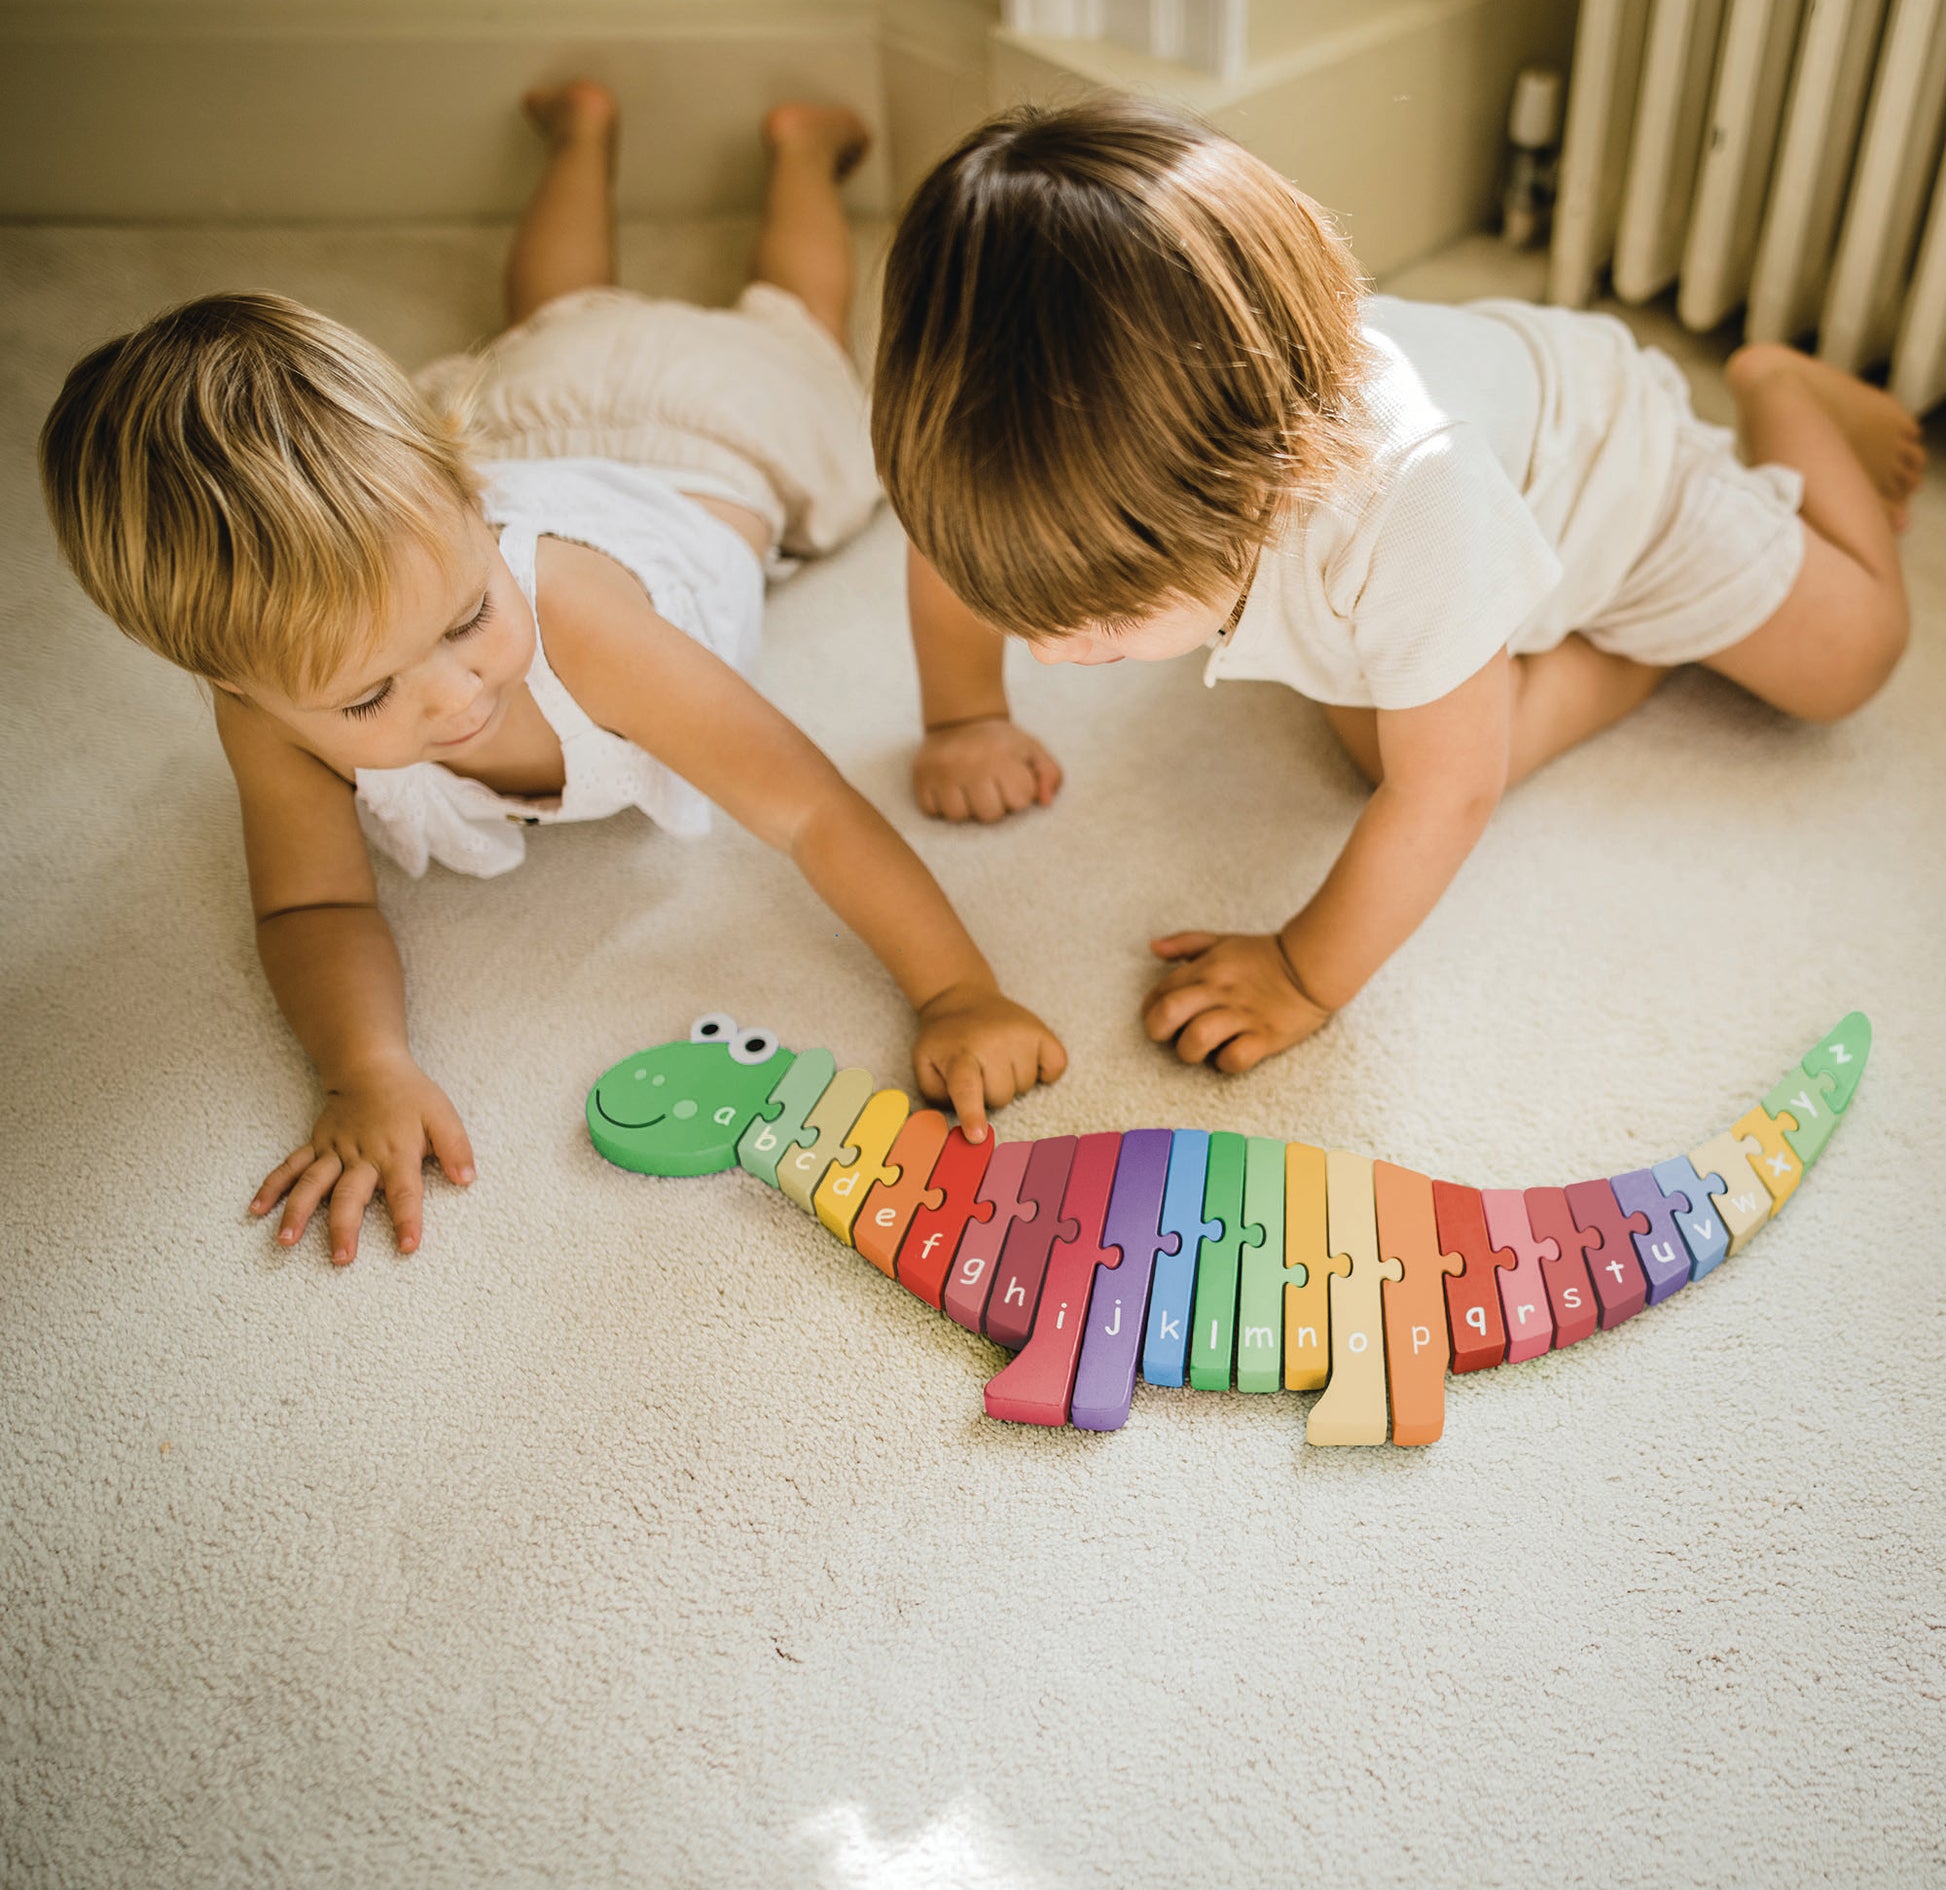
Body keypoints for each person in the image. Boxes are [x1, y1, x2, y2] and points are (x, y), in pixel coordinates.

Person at [38, 83, 1064, 1266]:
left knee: (792, 329)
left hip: (721, 434)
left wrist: (955, 990)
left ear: (472, 499)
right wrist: (365, 1064)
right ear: (230, 685)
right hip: (549, 403)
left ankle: (803, 154)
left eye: (469, 616)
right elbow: (308, 903)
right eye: (368, 698)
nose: (450, 694)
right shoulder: (267, 703)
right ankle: (581, 135)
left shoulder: (579, 619)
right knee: (549, 316)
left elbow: (810, 807)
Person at [877, 96, 1920, 1074]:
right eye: (1025, 615)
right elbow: (945, 551)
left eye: (1099, 613)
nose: (1053, 651)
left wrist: (1299, 969)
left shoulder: (1410, 495)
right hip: (1439, 546)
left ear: (1254, 482)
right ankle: (1568, 647)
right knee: (1392, 736)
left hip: (1620, 482)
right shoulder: (1013, 457)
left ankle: (1776, 387)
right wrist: (964, 713)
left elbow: (1446, 794)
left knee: (1848, 659)